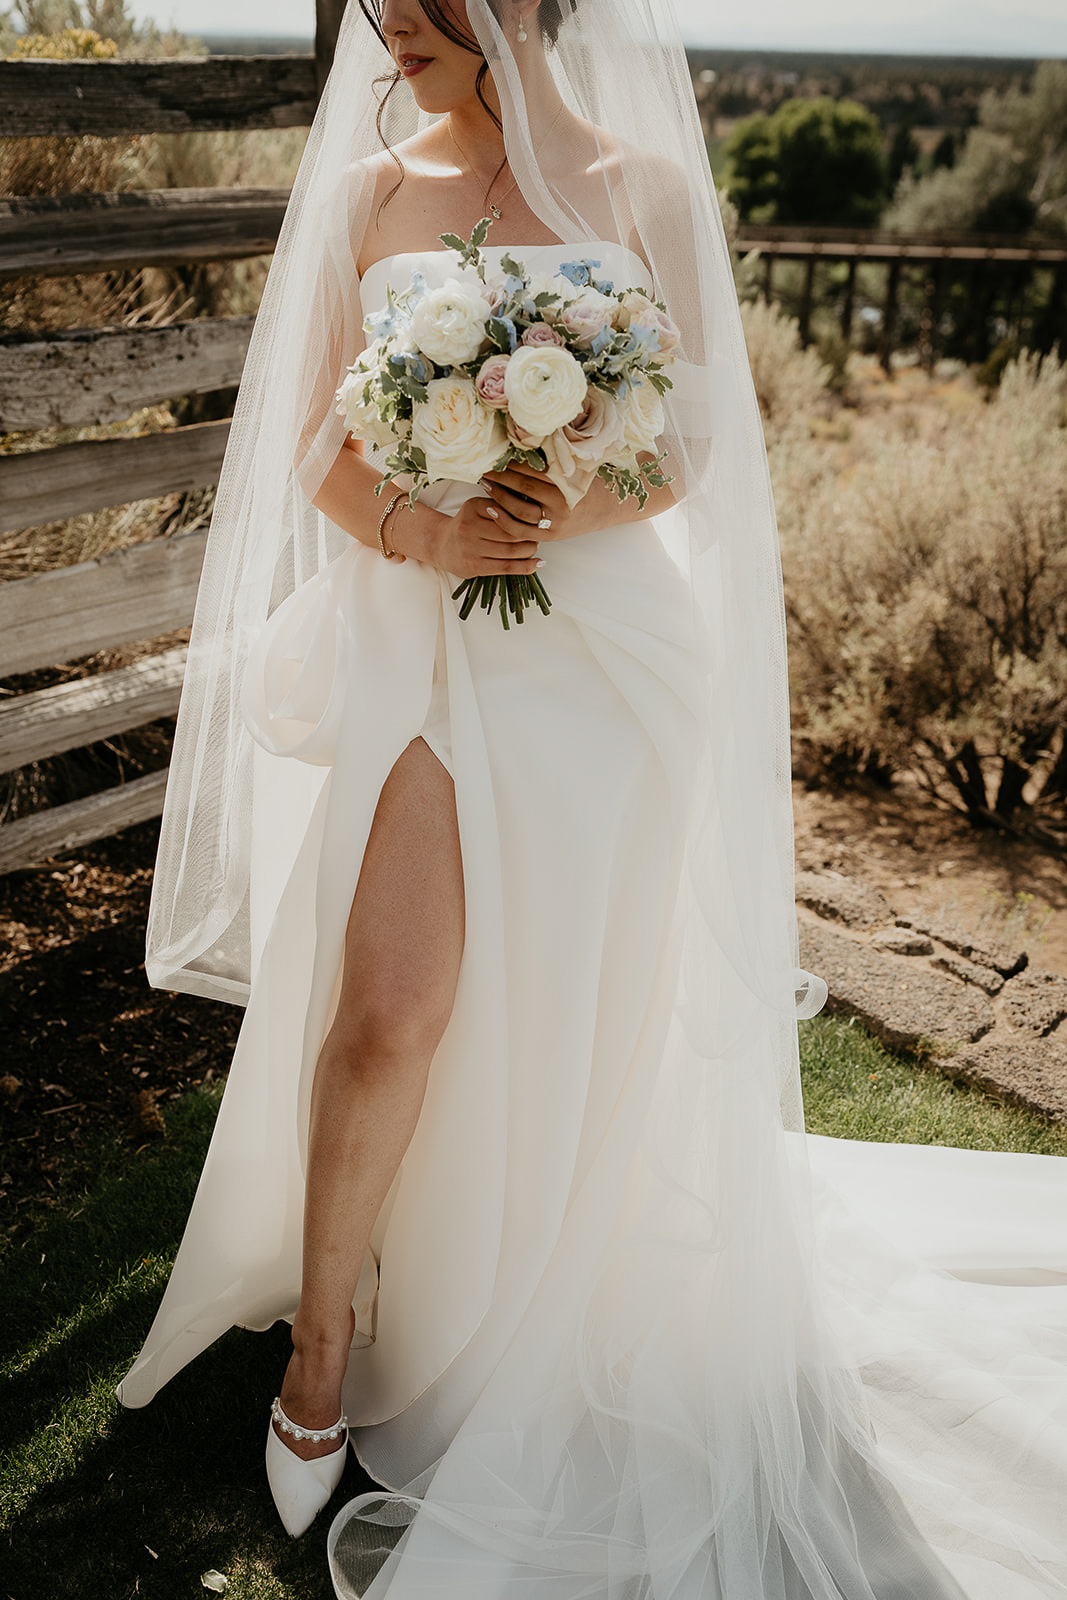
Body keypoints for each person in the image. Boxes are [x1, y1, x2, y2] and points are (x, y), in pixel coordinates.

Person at [118, 3, 1067, 1596]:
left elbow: (692, 443)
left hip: (602, 666)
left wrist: (559, 496)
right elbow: (314, 447)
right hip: (418, 643)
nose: (388, 26)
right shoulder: (367, 193)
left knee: (563, 1010)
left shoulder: (647, 192)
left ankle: (524, 1299)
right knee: (392, 1011)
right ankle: (325, 1350)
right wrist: (427, 528)